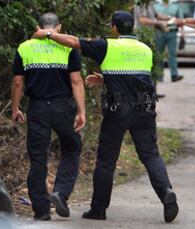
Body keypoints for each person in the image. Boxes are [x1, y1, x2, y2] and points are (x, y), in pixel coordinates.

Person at [33, 10, 179, 223]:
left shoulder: (107, 45)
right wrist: (105, 78)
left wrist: (47, 34)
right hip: (145, 110)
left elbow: (74, 42)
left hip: (118, 110)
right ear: (133, 28)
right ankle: (166, 193)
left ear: (114, 28)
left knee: (106, 161)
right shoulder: (145, 49)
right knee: (150, 154)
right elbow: (135, 77)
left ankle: (98, 209)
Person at [11, 13, 86, 221]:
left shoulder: (25, 47)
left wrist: (15, 109)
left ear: (38, 27)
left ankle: (41, 211)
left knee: (38, 159)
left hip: (37, 109)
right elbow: (77, 81)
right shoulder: (68, 47)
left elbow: (18, 82)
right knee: (72, 148)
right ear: (59, 27)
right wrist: (81, 111)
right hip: (63, 107)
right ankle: (60, 192)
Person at [153, 0, 184, 82]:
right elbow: (153, 17)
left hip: (172, 32)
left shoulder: (176, 5)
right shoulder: (155, 5)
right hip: (159, 32)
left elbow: (180, 19)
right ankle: (159, 76)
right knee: (159, 54)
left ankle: (174, 75)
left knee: (172, 54)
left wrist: (182, 32)